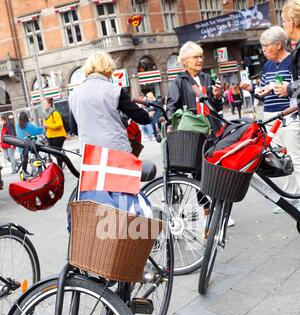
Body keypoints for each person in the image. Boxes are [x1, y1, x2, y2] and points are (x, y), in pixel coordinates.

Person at [69, 50, 151, 213]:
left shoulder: (74, 95)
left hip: (91, 155)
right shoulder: (114, 90)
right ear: (108, 69)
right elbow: (140, 117)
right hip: (116, 153)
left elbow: (74, 128)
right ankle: (130, 231)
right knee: (125, 196)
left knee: (98, 197)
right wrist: (146, 114)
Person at [166, 41, 236, 226]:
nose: (200, 60)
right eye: (195, 57)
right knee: (199, 173)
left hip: (212, 130)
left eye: (201, 56)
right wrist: (174, 123)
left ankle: (219, 210)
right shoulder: (179, 82)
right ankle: (208, 213)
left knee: (218, 169)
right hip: (194, 133)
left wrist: (217, 96)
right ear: (184, 61)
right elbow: (171, 108)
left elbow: (217, 106)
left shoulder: (207, 77)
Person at [240, 25, 300, 213]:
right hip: (270, 117)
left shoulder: (293, 61)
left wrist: (279, 87)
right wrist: (252, 90)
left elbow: (296, 88)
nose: (263, 50)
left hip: (289, 115)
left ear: (278, 45)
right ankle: (291, 196)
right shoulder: (266, 66)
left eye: (266, 46)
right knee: (282, 159)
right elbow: (263, 94)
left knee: (296, 157)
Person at [43, 97, 67, 168]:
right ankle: (63, 160)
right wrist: (45, 128)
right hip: (50, 136)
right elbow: (46, 126)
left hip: (59, 135)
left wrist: (48, 125)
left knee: (56, 152)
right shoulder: (45, 114)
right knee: (53, 152)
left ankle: (60, 167)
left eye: (45, 103)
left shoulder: (55, 113)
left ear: (49, 104)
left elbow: (59, 124)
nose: (43, 105)